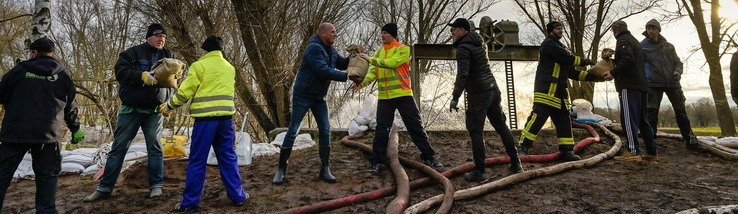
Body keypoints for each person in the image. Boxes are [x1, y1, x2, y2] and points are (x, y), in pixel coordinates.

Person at [83, 23, 174, 202]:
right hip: (131, 109)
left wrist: (168, 102)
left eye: (163, 36)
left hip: (154, 110)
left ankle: (156, 186)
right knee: (119, 148)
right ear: (148, 37)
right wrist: (140, 76)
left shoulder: (168, 56)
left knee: (155, 149)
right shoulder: (132, 54)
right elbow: (121, 72)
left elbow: (174, 80)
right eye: (157, 36)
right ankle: (104, 187)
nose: (161, 39)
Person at [160, 35, 247, 211]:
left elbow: (185, 92)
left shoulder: (199, 66)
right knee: (229, 158)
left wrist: (169, 106)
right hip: (226, 121)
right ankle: (238, 196)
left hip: (206, 121)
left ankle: (190, 204)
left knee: (197, 161)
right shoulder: (229, 68)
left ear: (205, 50)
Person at [0, 37, 83, 213]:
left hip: (15, 132)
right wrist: (75, 128)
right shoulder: (63, 74)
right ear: (52, 53)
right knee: (47, 178)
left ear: (33, 53)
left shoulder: (18, 71)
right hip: (48, 134)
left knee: (2, 175)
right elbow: (71, 107)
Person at [272, 23, 358, 184]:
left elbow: (341, 64)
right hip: (303, 96)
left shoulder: (330, 49)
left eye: (336, 32)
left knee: (325, 131)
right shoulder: (314, 48)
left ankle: (325, 169)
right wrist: (347, 76)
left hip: (319, 97)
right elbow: (323, 70)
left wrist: (354, 56)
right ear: (323, 33)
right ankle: (281, 169)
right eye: (333, 32)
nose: (335, 34)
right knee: (293, 130)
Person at [353, 23, 442, 174]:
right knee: (381, 129)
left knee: (415, 126)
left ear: (393, 35)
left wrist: (370, 59)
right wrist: (361, 84)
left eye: (385, 33)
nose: (382, 36)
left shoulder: (403, 49)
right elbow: (373, 73)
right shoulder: (378, 53)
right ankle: (377, 162)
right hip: (385, 97)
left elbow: (392, 64)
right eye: (381, 33)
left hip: (403, 95)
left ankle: (429, 156)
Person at [447, 18, 523, 182]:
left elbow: (463, 74)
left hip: (479, 93)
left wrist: (455, 96)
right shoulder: (480, 43)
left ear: (463, 30)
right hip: (492, 89)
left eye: (454, 29)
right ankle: (516, 162)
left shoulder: (463, 48)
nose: (452, 32)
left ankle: (479, 171)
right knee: (502, 126)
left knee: (476, 131)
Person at [517, 21, 599, 162]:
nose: (561, 31)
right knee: (538, 118)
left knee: (563, 121)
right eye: (558, 28)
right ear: (550, 31)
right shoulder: (549, 44)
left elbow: (572, 72)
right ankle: (522, 147)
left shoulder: (560, 48)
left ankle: (567, 150)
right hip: (546, 90)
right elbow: (568, 59)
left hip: (559, 93)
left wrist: (595, 76)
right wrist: (586, 61)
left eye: (562, 28)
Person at [640, 19, 701, 151]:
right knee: (651, 113)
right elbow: (636, 64)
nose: (651, 31)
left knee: (681, 112)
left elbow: (678, 63)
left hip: (673, 83)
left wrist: (678, 72)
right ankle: (650, 144)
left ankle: (691, 141)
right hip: (653, 84)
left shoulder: (669, 46)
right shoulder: (642, 46)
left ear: (658, 30)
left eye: (653, 28)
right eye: (648, 28)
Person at [603, 20, 657, 162]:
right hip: (642, 85)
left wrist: (613, 72)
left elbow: (627, 60)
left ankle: (633, 152)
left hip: (629, 85)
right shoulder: (634, 41)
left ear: (616, 30)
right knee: (643, 121)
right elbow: (632, 60)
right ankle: (652, 152)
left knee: (628, 119)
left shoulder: (623, 40)